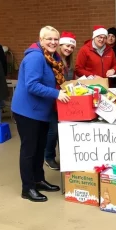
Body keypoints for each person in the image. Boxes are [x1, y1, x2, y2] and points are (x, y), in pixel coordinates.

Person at [11, 26, 70, 202]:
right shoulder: (35, 57)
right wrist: (56, 94)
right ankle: (27, 188)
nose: (53, 42)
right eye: (49, 39)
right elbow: (32, 85)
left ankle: (38, 180)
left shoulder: (51, 57)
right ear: (41, 39)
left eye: (55, 39)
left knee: (39, 148)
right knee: (29, 150)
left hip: (42, 111)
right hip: (28, 111)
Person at [44, 31, 76, 170]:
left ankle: (64, 156)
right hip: (52, 100)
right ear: (60, 45)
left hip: (65, 100)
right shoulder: (53, 60)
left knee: (62, 130)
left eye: (71, 47)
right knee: (53, 131)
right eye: (66, 46)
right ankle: (49, 156)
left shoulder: (69, 62)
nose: (68, 49)